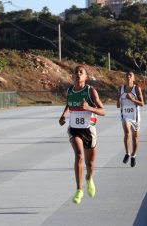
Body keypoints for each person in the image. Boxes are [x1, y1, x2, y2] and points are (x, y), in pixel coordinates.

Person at [59, 65, 105, 204]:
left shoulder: (91, 91)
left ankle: (89, 178)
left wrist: (88, 107)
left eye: (81, 72)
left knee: (90, 164)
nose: (78, 74)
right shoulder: (70, 91)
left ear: (85, 77)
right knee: (79, 155)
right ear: (73, 76)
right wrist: (63, 116)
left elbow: (103, 111)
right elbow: (69, 106)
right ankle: (79, 189)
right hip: (74, 129)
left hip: (88, 130)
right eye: (76, 72)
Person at [117, 72, 144, 167]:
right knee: (127, 132)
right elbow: (117, 104)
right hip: (125, 116)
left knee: (135, 137)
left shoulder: (136, 89)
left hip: (135, 117)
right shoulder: (120, 88)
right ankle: (127, 153)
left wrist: (132, 99)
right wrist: (119, 100)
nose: (128, 77)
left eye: (130, 75)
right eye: (127, 75)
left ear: (133, 78)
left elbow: (142, 103)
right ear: (124, 77)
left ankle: (133, 155)